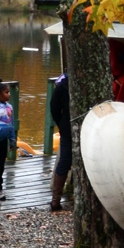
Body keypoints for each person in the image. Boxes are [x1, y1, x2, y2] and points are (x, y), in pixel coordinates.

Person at [49, 74, 72, 212]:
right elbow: (54, 107)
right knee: (65, 161)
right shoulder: (63, 84)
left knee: (64, 160)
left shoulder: (63, 84)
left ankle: (55, 199)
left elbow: (54, 108)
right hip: (70, 127)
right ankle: (56, 199)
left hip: (67, 126)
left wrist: (61, 123)